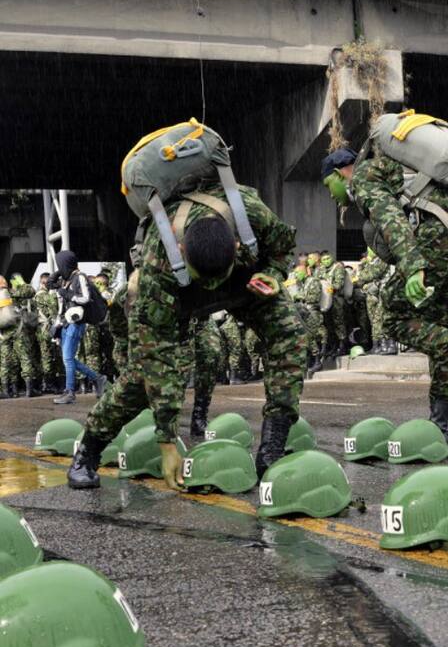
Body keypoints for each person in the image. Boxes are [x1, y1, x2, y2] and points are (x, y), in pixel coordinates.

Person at [65, 131, 306, 491]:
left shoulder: (249, 212)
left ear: (238, 242)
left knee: (291, 333)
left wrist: (271, 273)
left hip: (244, 284)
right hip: (177, 300)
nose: (209, 288)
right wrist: (166, 441)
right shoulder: (157, 263)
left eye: (214, 279)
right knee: (138, 381)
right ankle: (88, 451)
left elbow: (284, 246)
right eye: (202, 278)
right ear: (179, 249)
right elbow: (157, 358)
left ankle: (272, 447)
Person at [321, 136, 448, 442]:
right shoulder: (400, 171)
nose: (331, 195)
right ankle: (440, 428)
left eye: (329, 185)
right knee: (440, 331)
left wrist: (413, 267)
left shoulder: (365, 175)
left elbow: (391, 220)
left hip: (438, 236)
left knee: (392, 315)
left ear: (342, 171)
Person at [50, 251, 107, 405]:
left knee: (68, 359)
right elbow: (50, 285)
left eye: (60, 264)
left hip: (76, 323)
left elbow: (85, 298)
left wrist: (68, 295)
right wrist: (55, 275)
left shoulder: (79, 277)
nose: (59, 268)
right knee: (68, 359)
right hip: (64, 323)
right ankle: (98, 379)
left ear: (66, 264)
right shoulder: (66, 279)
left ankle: (70, 392)